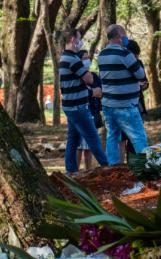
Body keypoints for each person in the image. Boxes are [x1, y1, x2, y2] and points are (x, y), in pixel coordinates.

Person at [97, 24, 148, 165]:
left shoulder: (102, 54)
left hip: (108, 104)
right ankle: (144, 167)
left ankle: (113, 166)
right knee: (138, 137)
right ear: (119, 37)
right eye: (124, 35)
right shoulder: (125, 54)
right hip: (125, 105)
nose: (126, 38)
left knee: (112, 137)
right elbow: (140, 74)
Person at [59, 29, 108, 174]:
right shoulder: (72, 59)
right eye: (80, 39)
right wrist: (92, 91)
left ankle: (71, 170)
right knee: (93, 138)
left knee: (73, 140)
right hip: (78, 107)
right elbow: (90, 79)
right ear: (73, 39)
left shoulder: (64, 58)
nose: (81, 42)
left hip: (70, 106)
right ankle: (106, 167)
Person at [118, 39, 149, 162]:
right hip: (122, 104)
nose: (136, 58)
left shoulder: (139, 63)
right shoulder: (120, 63)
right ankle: (120, 163)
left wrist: (143, 85)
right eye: (135, 55)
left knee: (135, 136)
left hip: (137, 103)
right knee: (121, 136)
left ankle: (134, 161)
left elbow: (145, 82)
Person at [76, 49, 103, 170]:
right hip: (80, 113)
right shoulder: (76, 77)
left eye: (88, 58)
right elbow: (80, 95)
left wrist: (90, 93)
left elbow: (101, 92)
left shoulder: (95, 76)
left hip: (93, 113)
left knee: (89, 146)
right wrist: (93, 93)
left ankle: (88, 169)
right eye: (84, 58)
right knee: (79, 146)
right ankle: (75, 171)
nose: (88, 60)